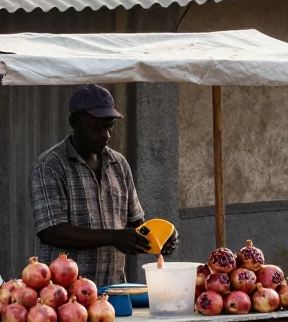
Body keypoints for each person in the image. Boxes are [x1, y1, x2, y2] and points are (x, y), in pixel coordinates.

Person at [29, 83, 177, 288]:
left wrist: (160, 237)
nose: (105, 135)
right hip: (62, 295)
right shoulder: (50, 166)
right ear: (74, 122)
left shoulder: (119, 164)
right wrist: (114, 237)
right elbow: (52, 231)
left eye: (109, 127)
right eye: (96, 127)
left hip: (113, 291)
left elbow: (136, 224)